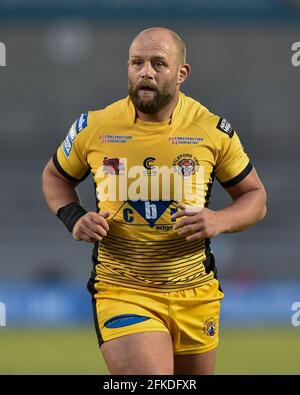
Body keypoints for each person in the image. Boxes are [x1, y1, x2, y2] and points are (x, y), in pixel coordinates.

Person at [42, 27, 267, 375]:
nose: (145, 71)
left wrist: (219, 220)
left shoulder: (211, 129)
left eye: (158, 63)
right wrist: (74, 216)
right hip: (122, 288)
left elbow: (255, 197)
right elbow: (55, 176)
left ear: (182, 74)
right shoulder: (94, 126)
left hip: (195, 290)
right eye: (137, 63)